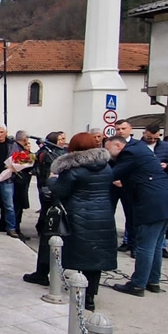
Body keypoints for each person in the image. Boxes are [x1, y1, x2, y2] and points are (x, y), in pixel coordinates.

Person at [107, 135, 168, 297]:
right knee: (156, 245)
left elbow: (111, 174)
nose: (107, 154)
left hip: (151, 203)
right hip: (165, 201)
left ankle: (137, 284)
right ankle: (152, 281)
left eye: (108, 149)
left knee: (145, 246)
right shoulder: (140, 148)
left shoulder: (128, 153)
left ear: (117, 145)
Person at [47, 133, 117, 312]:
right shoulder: (106, 166)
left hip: (79, 214)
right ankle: (91, 296)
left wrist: (52, 179)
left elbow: (61, 190)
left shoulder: (72, 169)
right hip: (103, 215)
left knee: (81, 252)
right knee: (96, 255)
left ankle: (80, 291)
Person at [24, 131, 68, 285]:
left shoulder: (62, 153)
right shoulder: (48, 154)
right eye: (61, 138)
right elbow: (45, 173)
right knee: (47, 225)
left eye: (64, 139)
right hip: (49, 194)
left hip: (58, 197)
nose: (63, 141)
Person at [112, 119, 138, 253]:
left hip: (128, 186)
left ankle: (132, 244)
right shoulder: (111, 143)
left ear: (130, 129)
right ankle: (110, 243)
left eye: (123, 128)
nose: (120, 131)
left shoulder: (136, 145)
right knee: (109, 214)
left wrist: (125, 180)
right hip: (112, 185)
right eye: (118, 129)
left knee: (131, 216)